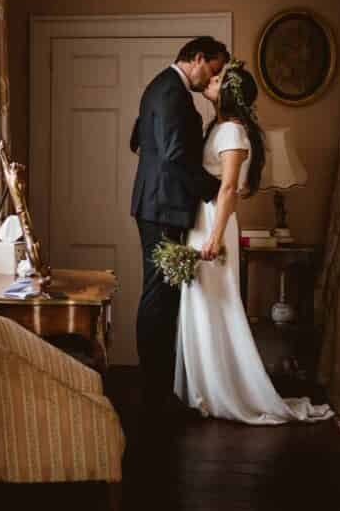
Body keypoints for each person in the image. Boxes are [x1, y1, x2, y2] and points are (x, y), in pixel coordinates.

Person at [174, 60, 333, 423]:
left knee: (217, 304)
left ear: (229, 92)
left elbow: (230, 188)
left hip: (214, 222)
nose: (209, 79)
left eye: (217, 79)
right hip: (202, 218)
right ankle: (205, 389)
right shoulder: (219, 127)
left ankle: (224, 391)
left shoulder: (232, 132)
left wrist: (215, 237)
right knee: (201, 304)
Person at [129, 36, 227, 420]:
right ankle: (155, 394)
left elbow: (138, 140)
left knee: (161, 296)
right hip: (161, 207)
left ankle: (156, 389)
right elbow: (174, 155)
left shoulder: (159, 85)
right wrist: (214, 190)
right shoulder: (172, 92)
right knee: (159, 298)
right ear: (198, 58)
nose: (212, 80)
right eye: (213, 70)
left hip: (157, 203)